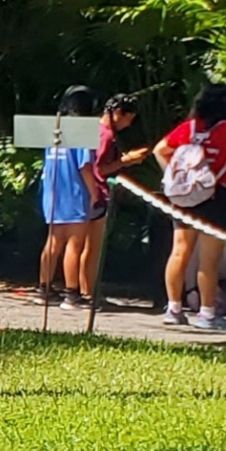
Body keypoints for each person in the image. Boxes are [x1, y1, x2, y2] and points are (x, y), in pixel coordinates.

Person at [152, 82, 226, 330]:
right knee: (209, 259)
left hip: (184, 198)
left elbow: (160, 150)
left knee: (179, 251)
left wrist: (175, 179)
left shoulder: (190, 127)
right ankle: (207, 314)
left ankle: (173, 308)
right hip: (217, 198)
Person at [76, 94, 152, 305]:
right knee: (93, 246)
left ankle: (85, 290)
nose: (128, 124)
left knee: (86, 246)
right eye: (128, 118)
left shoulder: (93, 130)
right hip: (97, 192)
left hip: (84, 193)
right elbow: (99, 168)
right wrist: (127, 160)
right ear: (118, 113)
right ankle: (89, 292)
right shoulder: (106, 135)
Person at [37, 86, 105, 311]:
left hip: (53, 192)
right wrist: (94, 192)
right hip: (74, 192)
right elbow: (85, 166)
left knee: (53, 241)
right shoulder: (81, 131)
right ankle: (72, 294)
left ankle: (44, 289)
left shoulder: (54, 129)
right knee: (74, 244)